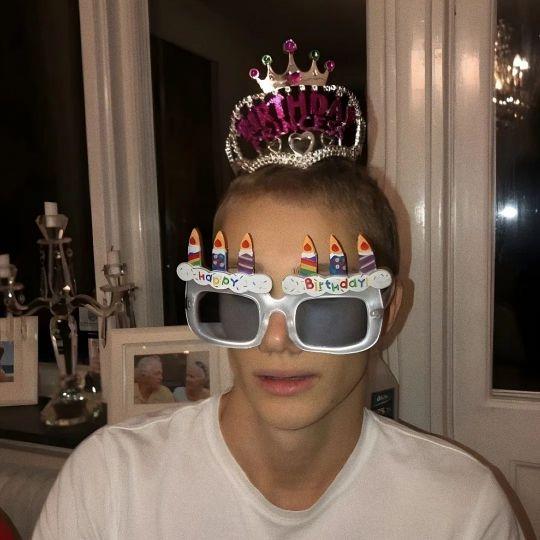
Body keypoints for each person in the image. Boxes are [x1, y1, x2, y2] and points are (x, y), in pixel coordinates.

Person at [33, 39, 525, 539]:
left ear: (388, 309)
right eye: (243, 295)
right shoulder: (109, 483)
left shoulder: (462, 511)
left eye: (324, 299)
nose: (274, 339)